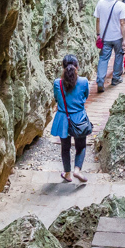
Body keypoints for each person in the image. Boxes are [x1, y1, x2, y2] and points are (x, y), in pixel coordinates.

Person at [52, 54, 89, 182]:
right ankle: (77, 170)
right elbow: (85, 96)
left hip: (63, 119)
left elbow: (57, 98)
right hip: (79, 118)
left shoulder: (58, 83)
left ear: (63, 67)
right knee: (81, 146)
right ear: (77, 67)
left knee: (65, 147)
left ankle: (67, 173)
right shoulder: (84, 81)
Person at [93, 0, 125, 92]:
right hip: (117, 36)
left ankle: (100, 81)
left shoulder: (100, 3)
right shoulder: (121, 5)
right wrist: (124, 39)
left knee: (103, 59)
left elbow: (98, 20)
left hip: (105, 37)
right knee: (119, 56)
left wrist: (98, 34)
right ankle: (116, 78)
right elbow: (122, 23)